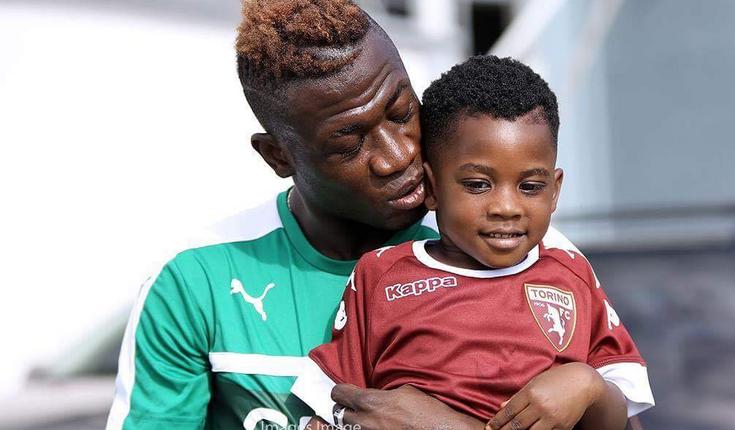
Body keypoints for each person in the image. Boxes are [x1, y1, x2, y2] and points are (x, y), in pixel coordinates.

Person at [106, 1, 623, 429]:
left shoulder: (523, 248)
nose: (396, 156)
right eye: (349, 142)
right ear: (278, 157)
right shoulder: (195, 282)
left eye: (402, 114)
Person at [292, 56, 655, 430]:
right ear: (432, 189)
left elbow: (621, 419)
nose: (506, 208)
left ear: (555, 190)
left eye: (530, 187)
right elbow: (339, 401)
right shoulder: (380, 274)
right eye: (478, 185)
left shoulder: (571, 273)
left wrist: (587, 385)